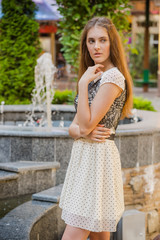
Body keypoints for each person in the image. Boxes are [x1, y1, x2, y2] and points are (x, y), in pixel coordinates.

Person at [59, 16, 133, 240]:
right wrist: (84, 131)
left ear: (112, 43)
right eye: (91, 41)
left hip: (97, 159)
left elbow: (85, 124)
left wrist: (82, 85)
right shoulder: (94, 75)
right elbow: (74, 128)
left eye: (103, 40)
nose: (96, 46)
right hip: (87, 157)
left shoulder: (112, 77)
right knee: (100, 236)